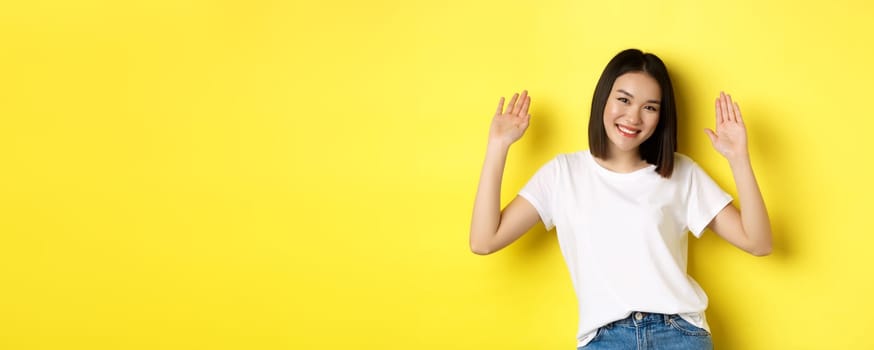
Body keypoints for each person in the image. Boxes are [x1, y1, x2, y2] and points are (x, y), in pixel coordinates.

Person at [469, 49, 772, 350]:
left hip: (678, 335)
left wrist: (738, 158)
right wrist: (498, 146)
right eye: (624, 100)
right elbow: (484, 241)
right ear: (604, 98)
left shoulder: (681, 173)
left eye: (650, 107)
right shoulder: (563, 174)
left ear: (661, 117)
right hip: (604, 339)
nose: (633, 117)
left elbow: (758, 242)